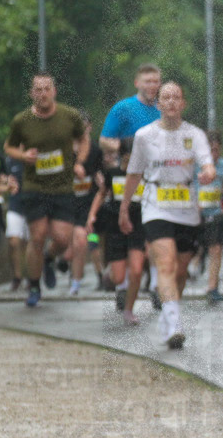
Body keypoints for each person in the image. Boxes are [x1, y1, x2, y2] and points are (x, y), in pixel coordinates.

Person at [120, 81, 214, 350]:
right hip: (155, 205)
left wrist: (207, 173)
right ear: (158, 104)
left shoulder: (194, 135)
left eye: (176, 97)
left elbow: (206, 163)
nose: (171, 102)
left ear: (183, 104)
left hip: (185, 207)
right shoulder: (144, 136)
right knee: (166, 264)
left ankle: (169, 311)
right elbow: (134, 174)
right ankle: (174, 323)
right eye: (166, 98)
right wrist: (125, 207)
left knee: (181, 270)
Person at [3, 72, 90, 307]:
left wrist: (79, 163)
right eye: (38, 90)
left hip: (62, 186)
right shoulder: (21, 121)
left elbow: (84, 139)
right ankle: (33, 286)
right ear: (31, 93)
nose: (42, 94)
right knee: (38, 235)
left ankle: (49, 258)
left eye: (46, 89)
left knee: (62, 239)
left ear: (54, 91)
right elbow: (8, 147)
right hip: (35, 186)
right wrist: (23, 155)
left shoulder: (68, 115)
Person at [88, 138, 145, 325]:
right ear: (122, 157)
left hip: (138, 223)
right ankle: (110, 276)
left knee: (136, 270)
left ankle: (129, 309)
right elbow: (101, 194)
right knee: (119, 276)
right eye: (128, 159)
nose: (131, 164)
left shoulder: (145, 174)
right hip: (115, 226)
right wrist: (92, 216)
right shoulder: (112, 173)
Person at [68, 111, 104, 296]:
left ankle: (99, 275)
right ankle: (68, 270)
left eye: (85, 126)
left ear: (90, 127)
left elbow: (99, 173)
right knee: (72, 242)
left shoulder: (96, 150)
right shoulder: (65, 150)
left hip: (89, 204)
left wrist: (103, 185)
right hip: (68, 202)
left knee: (91, 239)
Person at [197, 130, 223, 304]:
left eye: (216, 150)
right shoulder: (195, 165)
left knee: (216, 249)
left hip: (216, 213)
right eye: (210, 150)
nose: (214, 154)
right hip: (196, 214)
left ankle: (213, 287)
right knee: (190, 251)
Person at [99, 64, 161, 158]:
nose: (152, 86)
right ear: (137, 83)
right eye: (148, 82)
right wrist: (126, 147)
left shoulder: (164, 108)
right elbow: (103, 141)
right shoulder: (123, 108)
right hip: (131, 166)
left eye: (155, 82)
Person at [0, 156, 23, 290]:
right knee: (13, 242)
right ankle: (17, 277)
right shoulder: (8, 159)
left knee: (29, 242)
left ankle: (33, 280)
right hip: (14, 206)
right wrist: (6, 185)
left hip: (32, 206)